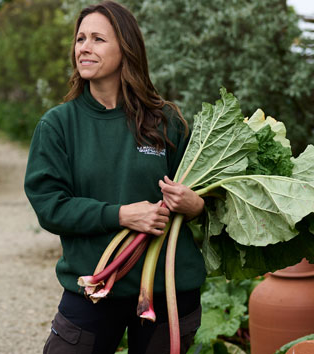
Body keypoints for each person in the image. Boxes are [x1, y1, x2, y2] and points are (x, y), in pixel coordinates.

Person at [24, 1, 207, 353]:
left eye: (97, 39)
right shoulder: (59, 125)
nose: (84, 48)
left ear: (126, 48)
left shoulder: (166, 121)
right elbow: (50, 206)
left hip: (168, 289)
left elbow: (208, 202)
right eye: (80, 39)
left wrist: (195, 204)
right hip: (94, 288)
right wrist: (121, 215)